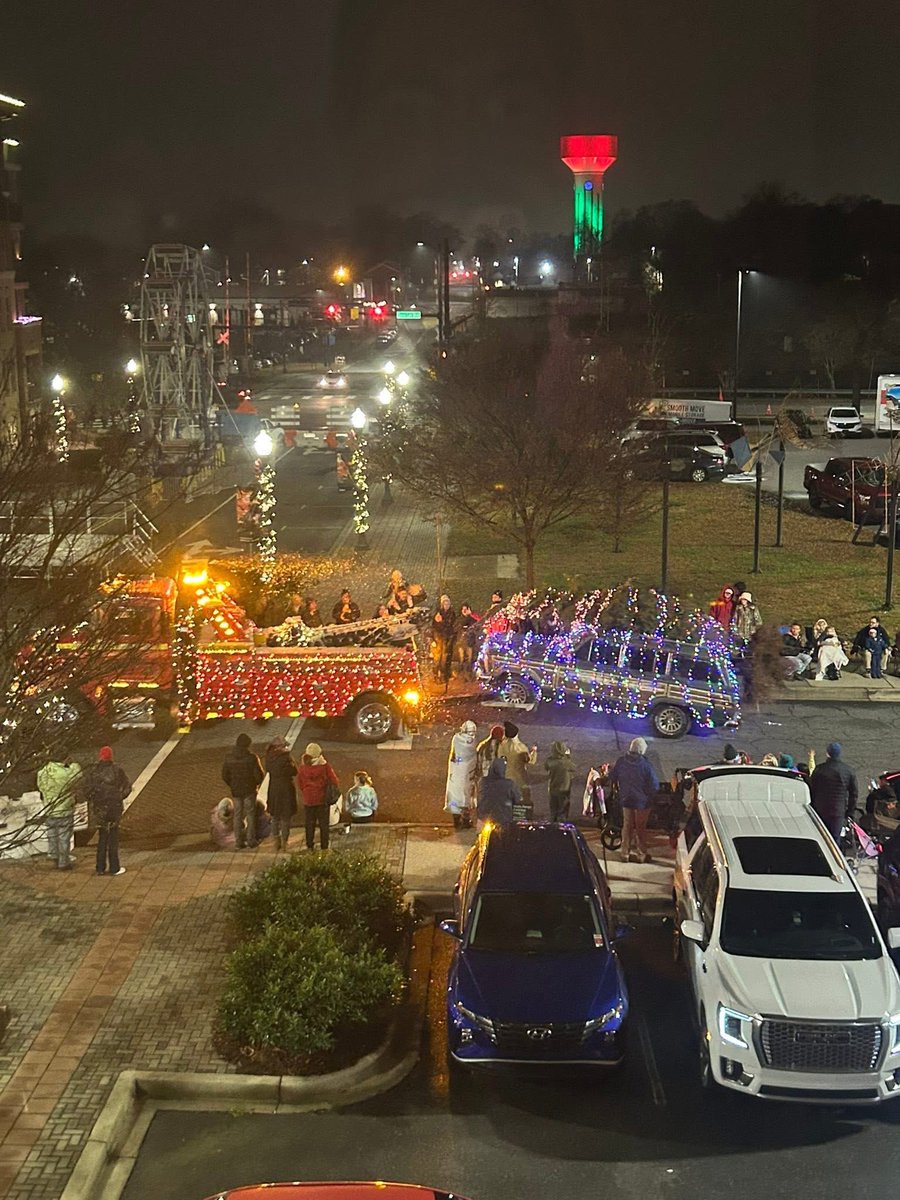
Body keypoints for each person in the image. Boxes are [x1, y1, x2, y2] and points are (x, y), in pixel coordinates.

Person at [609, 737, 659, 863]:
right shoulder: (645, 765)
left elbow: (613, 776)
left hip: (626, 799)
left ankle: (624, 853)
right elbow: (654, 785)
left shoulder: (621, 761)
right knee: (640, 827)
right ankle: (641, 854)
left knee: (627, 825)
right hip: (642, 802)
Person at [86, 746, 131, 876]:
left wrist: (95, 800)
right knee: (113, 838)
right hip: (114, 808)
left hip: (100, 809)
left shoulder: (93, 772)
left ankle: (100, 867)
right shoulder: (117, 771)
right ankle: (114, 867)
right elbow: (127, 787)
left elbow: (87, 791)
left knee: (102, 838)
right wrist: (119, 796)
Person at [38, 754, 83, 870]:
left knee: (52, 835)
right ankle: (64, 862)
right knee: (64, 837)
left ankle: (53, 857)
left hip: (49, 809)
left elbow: (41, 788)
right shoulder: (65, 773)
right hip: (64, 809)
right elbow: (78, 772)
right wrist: (73, 764)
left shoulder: (42, 772)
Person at [221, 733, 264, 849]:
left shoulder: (228, 757)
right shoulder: (251, 758)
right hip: (249, 789)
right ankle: (251, 840)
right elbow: (259, 774)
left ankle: (238, 841)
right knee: (250, 814)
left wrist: (232, 784)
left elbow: (225, 775)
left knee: (237, 815)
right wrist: (255, 783)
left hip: (236, 790)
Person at [809, 741, 858, 841]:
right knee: (835, 838)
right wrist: (850, 812)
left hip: (820, 809)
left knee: (820, 837)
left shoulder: (819, 769)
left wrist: (812, 806)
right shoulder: (848, 770)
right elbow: (854, 794)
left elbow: (812, 789)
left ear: (828, 753)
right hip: (838, 810)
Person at [296, 741, 340, 851]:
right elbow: (335, 781)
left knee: (309, 824)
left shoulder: (303, 767)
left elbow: (300, 783)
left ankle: (309, 845)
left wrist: (307, 792)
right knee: (323, 825)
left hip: (308, 800)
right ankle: (324, 846)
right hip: (322, 799)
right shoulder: (324, 767)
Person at [265, 734, 298, 851]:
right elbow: (294, 771)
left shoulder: (269, 757)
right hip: (286, 789)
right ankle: (285, 842)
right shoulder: (286, 758)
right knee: (285, 817)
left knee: (275, 817)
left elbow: (268, 769)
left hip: (274, 788)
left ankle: (275, 841)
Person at [444, 720, 478, 829]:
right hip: (468, 774)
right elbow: (473, 756)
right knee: (466, 797)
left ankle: (456, 820)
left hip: (456, 772)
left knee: (454, 796)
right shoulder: (473, 742)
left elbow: (455, 754)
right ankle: (466, 820)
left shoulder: (456, 739)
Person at [498, 720, 537, 806]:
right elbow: (531, 761)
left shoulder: (502, 745)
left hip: (506, 777)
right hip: (519, 778)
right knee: (520, 800)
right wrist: (534, 752)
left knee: (507, 800)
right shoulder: (521, 747)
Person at [477, 757, 520, 830]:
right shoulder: (509, 784)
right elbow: (517, 799)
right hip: (503, 819)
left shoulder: (483, 782)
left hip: (484, 817)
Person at [544, 740, 575, 822]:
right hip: (564, 789)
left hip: (553, 788)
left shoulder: (550, 761)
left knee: (553, 810)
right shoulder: (566, 762)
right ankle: (561, 827)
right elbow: (573, 768)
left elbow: (546, 767)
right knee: (562, 810)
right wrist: (568, 756)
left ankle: (553, 826)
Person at [431, 595, 457, 683]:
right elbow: (434, 626)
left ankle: (444, 675)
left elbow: (452, 625)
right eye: (445, 603)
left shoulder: (452, 613)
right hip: (439, 637)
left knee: (446, 657)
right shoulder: (438, 613)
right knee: (438, 657)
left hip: (448, 637)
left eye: (448, 603)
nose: (446, 605)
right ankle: (436, 675)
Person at [475, 725, 505, 802]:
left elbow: (478, 761)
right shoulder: (502, 747)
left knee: (484, 797)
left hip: (484, 776)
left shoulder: (482, 745)